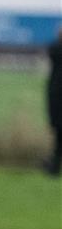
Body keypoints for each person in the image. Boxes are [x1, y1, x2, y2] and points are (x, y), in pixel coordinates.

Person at [45, 26, 62, 176]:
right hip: (56, 98)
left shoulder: (55, 49)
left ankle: (54, 164)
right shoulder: (55, 50)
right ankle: (54, 164)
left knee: (58, 134)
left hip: (56, 97)